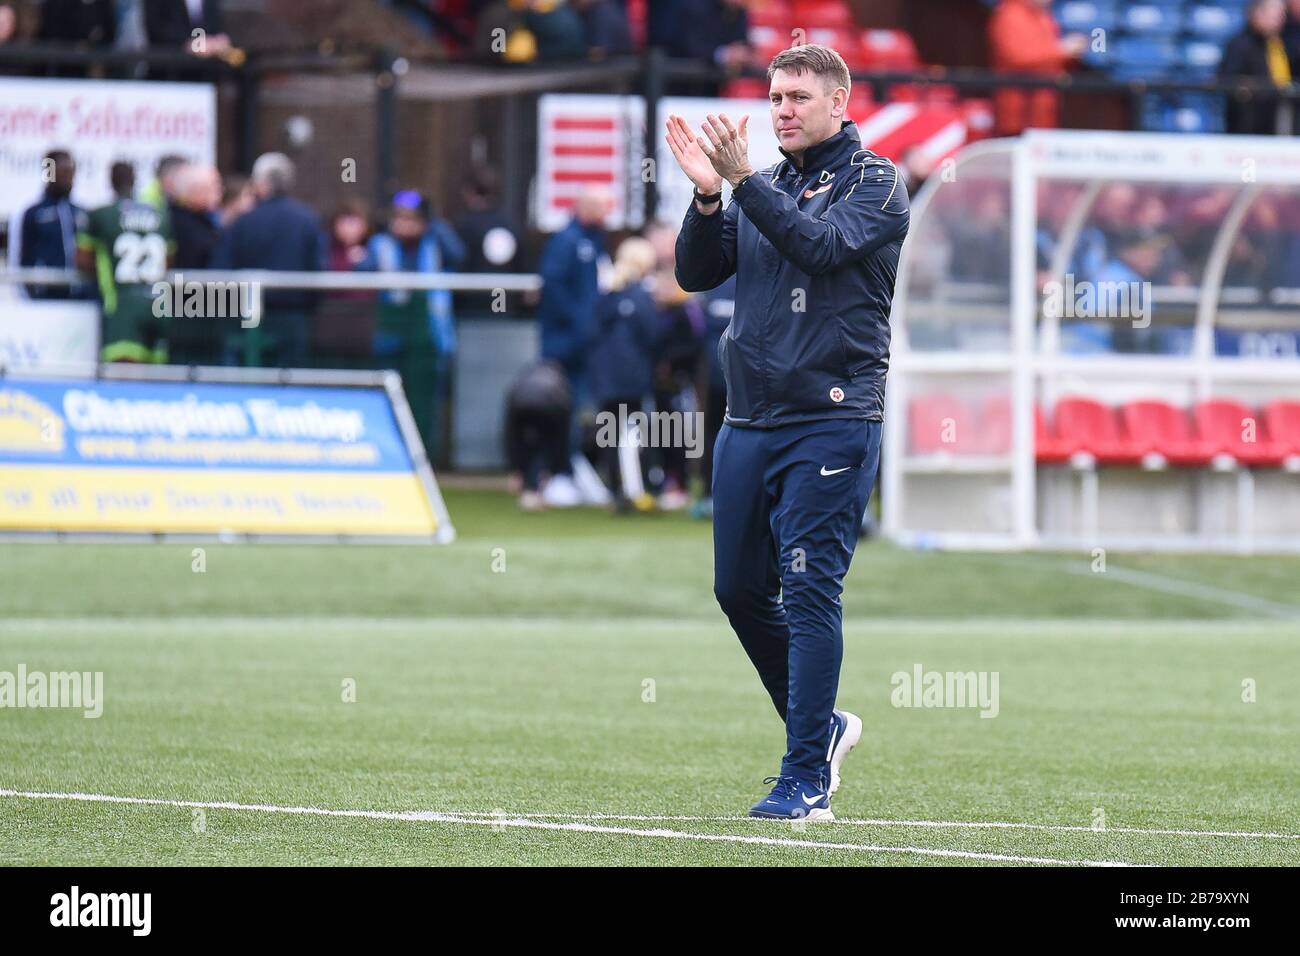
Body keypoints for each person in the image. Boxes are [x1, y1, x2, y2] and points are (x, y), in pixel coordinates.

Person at [666, 43, 910, 820]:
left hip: (832, 421)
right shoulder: (760, 186)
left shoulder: (876, 183)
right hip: (748, 421)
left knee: (809, 591)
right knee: (737, 590)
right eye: (775, 97)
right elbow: (697, 275)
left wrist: (739, 184)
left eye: (799, 97)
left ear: (839, 103)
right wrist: (709, 201)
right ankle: (825, 727)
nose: (782, 110)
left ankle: (805, 775)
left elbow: (820, 247)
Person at [358, 190, 465, 461]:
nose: (405, 224)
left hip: (428, 336)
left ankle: (422, 455)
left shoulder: (435, 243)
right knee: (387, 395)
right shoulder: (380, 245)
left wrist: (435, 223)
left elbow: (459, 254)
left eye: (413, 219)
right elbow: (363, 274)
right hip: (390, 334)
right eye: (400, 218)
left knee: (424, 401)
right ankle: (387, 454)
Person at [211, 152, 327, 367]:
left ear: (262, 184)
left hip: (247, 318)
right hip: (294, 315)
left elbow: (221, 269)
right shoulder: (308, 219)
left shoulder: (243, 222)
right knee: (291, 379)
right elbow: (318, 268)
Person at [588, 236, 660, 512]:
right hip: (632, 378)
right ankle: (637, 490)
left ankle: (618, 491)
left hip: (606, 378)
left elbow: (591, 332)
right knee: (634, 434)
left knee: (610, 434)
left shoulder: (606, 294)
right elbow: (652, 335)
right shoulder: (640, 296)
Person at [76, 162, 174, 362]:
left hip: (122, 304)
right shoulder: (161, 215)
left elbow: (82, 260)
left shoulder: (101, 215)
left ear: (111, 181)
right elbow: (168, 260)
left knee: (124, 380)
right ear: (135, 180)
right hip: (158, 302)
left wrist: (104, 271)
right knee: (160, 382)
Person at [987, 0, 1086, 137]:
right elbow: (1018, 56)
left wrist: (1070, 55)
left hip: (1044, 110)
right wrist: (1061, 50)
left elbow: (1050, 60)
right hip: (1018, 111)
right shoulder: (1010, 13)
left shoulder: (1043, 15)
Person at [13, 149, 90, 300]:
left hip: (81, 297)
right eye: (64, 172)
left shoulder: (82, 213)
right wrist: (30, 294)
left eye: (71, 172)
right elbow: (21, 259)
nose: (69, 178)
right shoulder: (33, 214)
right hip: (46, 298)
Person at [1220, 0, 1294, 135]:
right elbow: (1228, 80)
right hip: (1247, 126)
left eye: (1281, 15)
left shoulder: (1280, 44)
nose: (1278, 20)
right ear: (1256, 14)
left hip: (1278, 120)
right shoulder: (1239, 45)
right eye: (1273, 15)